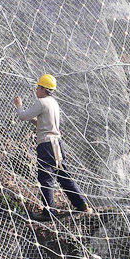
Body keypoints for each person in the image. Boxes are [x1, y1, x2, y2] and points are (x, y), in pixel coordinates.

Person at [13, 74, 92, 221]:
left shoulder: (41, 102)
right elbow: (42, 123)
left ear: (44, 89)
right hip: (57, 144)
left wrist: (18, 105)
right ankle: (81, 204)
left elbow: (22, 116)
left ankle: (49, 212)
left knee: (46, 178)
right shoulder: (53, 103)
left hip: (46, 145)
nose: (36, 89)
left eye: (38, 87)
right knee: (63, 175)